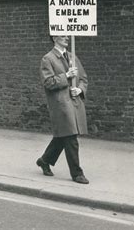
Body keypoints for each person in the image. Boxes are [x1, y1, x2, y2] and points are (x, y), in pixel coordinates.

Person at [36, 35, 89, 184]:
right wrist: (66, 75)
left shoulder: (72, 56)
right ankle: (77, 173)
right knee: (71, 137)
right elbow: (48, 82)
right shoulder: (48, 59)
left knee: (63, 136)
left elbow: (84, 78)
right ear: (54, 38)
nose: (67, 37)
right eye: (63, 35)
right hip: (61, 105)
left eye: (67, 35)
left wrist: (79, 89)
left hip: (74, 102)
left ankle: (44, 160)